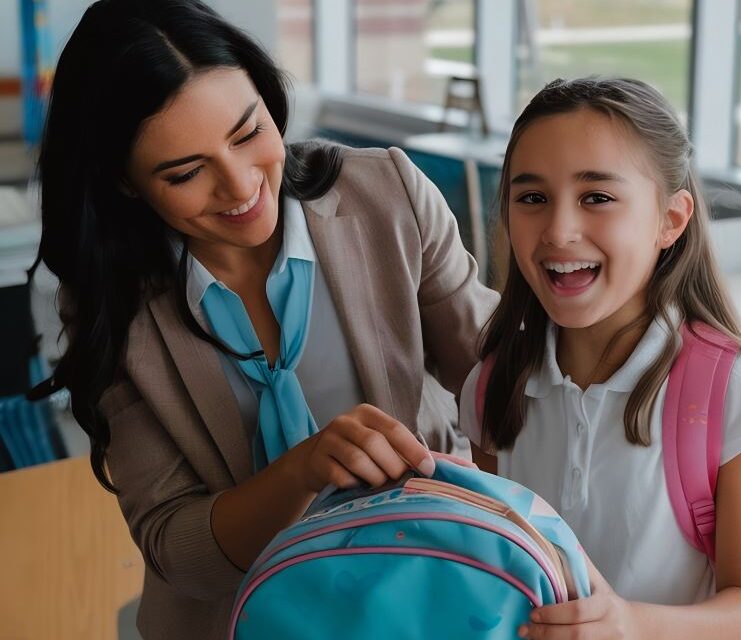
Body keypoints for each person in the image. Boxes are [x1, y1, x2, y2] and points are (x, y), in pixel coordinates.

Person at [31, 0, 497, 637]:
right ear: (125, 183)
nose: (241, 186)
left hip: (431, 596)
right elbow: (176, 549)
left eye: (248, 133)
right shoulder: (109, 299)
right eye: (187, 172)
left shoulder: (387, 194)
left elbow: (502, 379)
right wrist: (302, 470)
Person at [459, 77, 741, 639]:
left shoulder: (731, 390)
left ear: (671, 220)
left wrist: (631, 625)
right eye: (532, 198)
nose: (559, 231)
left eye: (598, 198)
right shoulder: (493, 385)